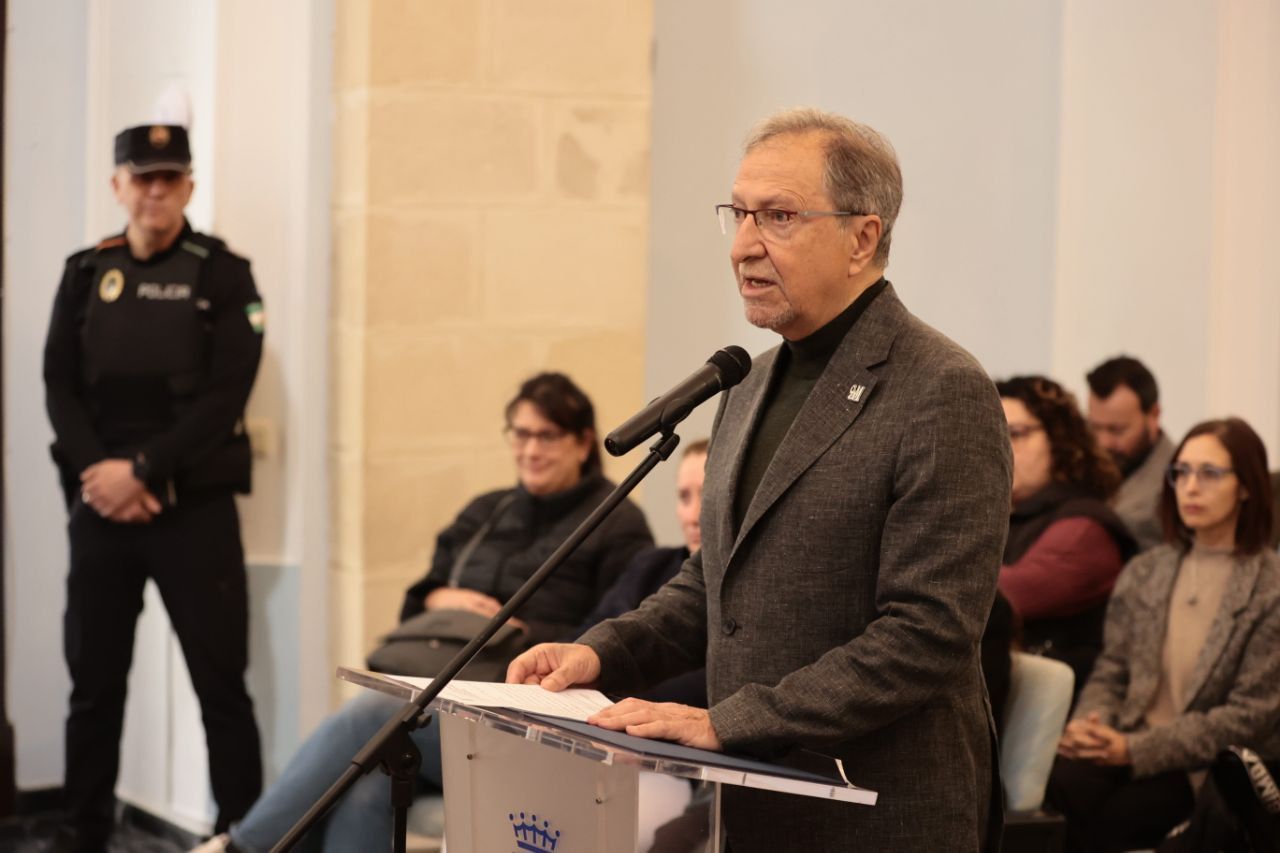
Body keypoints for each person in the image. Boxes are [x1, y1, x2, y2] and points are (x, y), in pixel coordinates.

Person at [507, 108, 1013, 851]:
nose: (743, 245)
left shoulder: (940, 389)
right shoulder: (747, 382)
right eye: (738, 214)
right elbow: (716, 582)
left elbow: (926, 635)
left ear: (862, 237)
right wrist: (603, 652)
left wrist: (730, 721)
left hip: (877, 810)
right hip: (752, 802)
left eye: (778, 216)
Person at [194, 372, 652, 853]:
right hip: (446, 693)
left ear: (583, 443)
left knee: (373, 715)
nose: (530, 450)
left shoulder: (617, 522)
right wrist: (442, 599)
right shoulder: (486, 511)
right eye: (520, 434)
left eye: (547, 436)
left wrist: (521, 632)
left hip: (524, 718)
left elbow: (612, 638)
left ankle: (242, 847)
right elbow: (415, 609)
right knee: (372, 785)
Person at [43, 124, 265, 852]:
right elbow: (58, 385)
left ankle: (244, 834)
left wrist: (140, 471)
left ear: (189, 186)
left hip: (193, 511)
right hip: (101, 510)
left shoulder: (225, 275)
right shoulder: (85, 273)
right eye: (143, 177)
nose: (156, 191)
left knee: (221, 685)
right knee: (93, 686)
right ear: (118, 186)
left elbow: (226, 396)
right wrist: (101, 477)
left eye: (171, 177)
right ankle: (82, 832)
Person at [1046, 417, 1280, 852]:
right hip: (1125, 739)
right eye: (1181, 472)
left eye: (1209, 473)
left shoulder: (1271, 587)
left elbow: (1248, 717)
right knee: (1056, 788)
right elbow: (1113, 669)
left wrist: (1135, 749)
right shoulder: (1146, 570)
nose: (1189, 488)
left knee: (1109, 822)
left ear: (1247, 486)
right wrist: (1090, 725)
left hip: (1199, 766)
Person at [997, 375, 1137, 690]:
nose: (1000, 446)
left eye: (1016, 434)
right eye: (992, 434)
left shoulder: (1085, 528)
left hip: (1068, 706)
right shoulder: (1007, 515)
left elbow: (1007, 595)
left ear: (1059, 439)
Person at [1087, 355, 1176, 551]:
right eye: (1095, 428)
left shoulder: (1176, 482)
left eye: (1117, 430)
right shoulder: (1080, 462)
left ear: (1153, 415)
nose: (1103, 442)